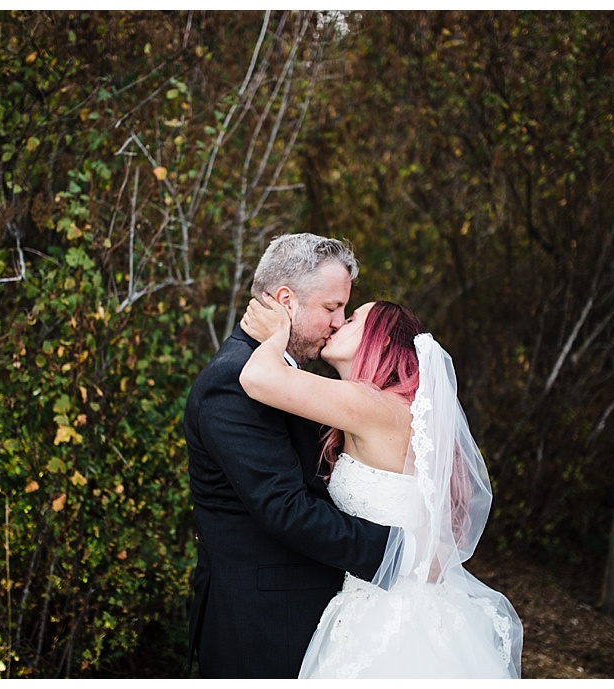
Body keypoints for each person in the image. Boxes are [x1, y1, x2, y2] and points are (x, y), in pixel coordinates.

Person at [238, 295, 523, 678]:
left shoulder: (373, 405)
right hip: (397, 601)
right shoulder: (396, 409)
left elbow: (258, 378)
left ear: (383, 340)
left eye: (352, 318)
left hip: (387, 619)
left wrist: (277, 335)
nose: (338, 324)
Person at [184, 234, 392, 678]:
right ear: (285, 301)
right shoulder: (233, 382)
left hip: (299, 612)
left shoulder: (283, 376)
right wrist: (393, 551)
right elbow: (286, 508)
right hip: (262, 624)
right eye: (332, 308)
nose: (338, 323)